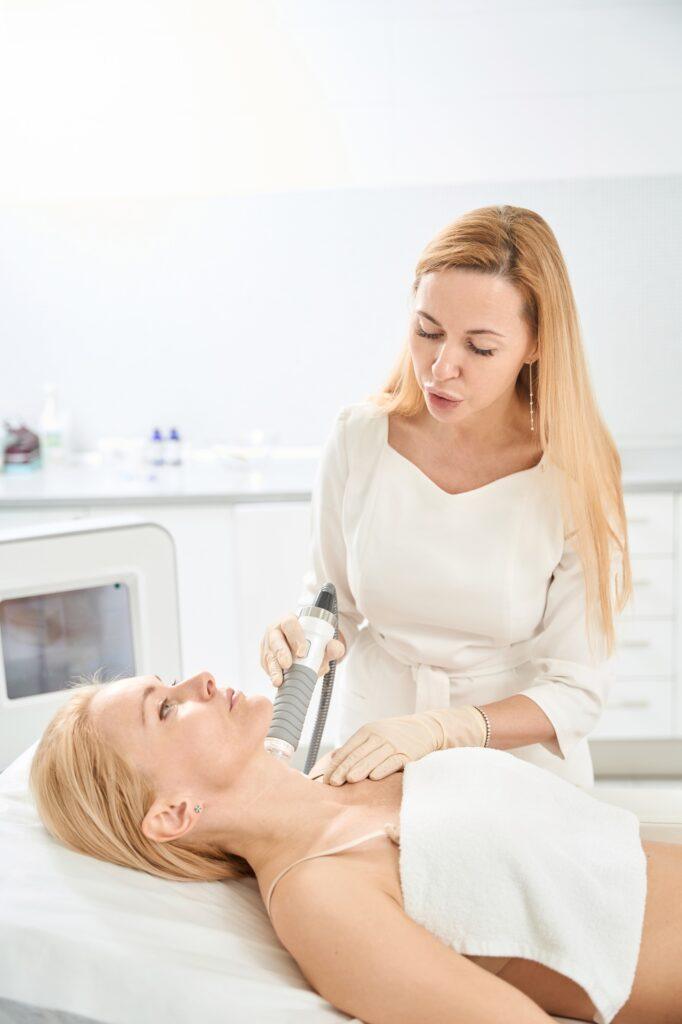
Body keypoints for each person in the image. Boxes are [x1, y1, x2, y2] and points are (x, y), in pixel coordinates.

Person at [29, 670, 682, 1024]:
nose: (198, 680)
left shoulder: (352, 769)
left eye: (169, 683)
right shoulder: (321, 895)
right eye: (166, 710)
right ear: (174, 813)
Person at [262, 204, 630, 792]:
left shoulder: (573, 475)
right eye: (427, 331)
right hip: (370, 750)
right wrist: (302, 632)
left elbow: (576, 692)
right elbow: (334, 603)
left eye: (480, 348)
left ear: (535, 345)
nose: (441, 367)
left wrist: (442, 729)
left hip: (518, 770)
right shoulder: (360, 439)